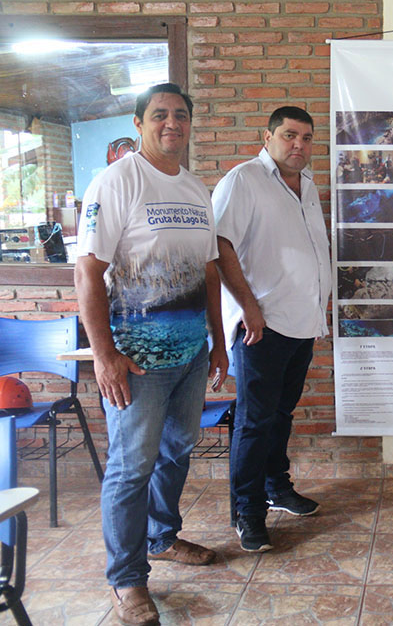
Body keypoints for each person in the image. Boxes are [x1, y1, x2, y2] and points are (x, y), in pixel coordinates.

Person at [75, 83, 227, 626]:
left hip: (189, 355)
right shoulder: (117, 181)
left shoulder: (194, 188)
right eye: (159, 114)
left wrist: (219, 343)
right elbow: (88, 271)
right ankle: (128, 580)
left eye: (181, 115)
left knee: (178, 450)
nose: (172, 123)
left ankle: (162, 537)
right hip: (136, 361)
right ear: (139, 124)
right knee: (129, 469)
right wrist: (104, 355)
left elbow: (208, 270)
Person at [212, 106, 332, 553]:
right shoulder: (244, 181)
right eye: (288, 135)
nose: (297, 144)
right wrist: (248, 307)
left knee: (280, 414)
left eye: (305, 137)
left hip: (300, 322)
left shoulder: (307, 186)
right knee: (255, 420)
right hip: (260, 325)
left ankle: (276, 488)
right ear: (267, 138)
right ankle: (247, 511)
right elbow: (219, 243)